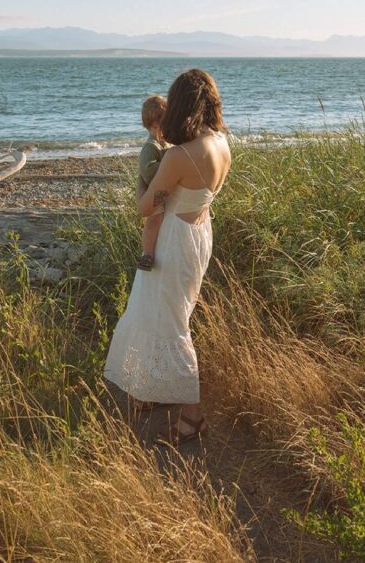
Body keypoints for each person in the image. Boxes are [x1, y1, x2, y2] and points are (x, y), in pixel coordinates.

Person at [103, 69, 231, 446]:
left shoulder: (179, 156)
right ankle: (153, 390)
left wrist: (142, 181)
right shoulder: (221, 143)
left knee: (171, 322)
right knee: (167, 314)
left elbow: (146, 208)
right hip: (198, 233)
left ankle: (193, 417)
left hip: (175, 240)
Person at [136, 95, 168, 271]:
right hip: (154, 192)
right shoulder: (151, 146)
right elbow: (148, 172)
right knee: (154, 220)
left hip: (164, 190)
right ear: (156, 123)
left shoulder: (165, 143)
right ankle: (147, 254)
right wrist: (169, 168)